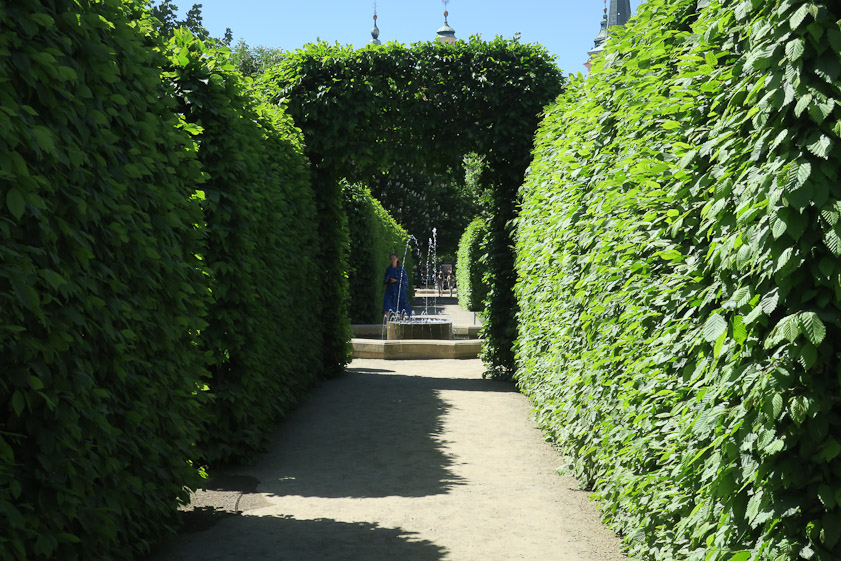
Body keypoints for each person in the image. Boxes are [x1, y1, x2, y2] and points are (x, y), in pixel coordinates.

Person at [382, 253, 412, 318]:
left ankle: (402, 323)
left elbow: (405, 280)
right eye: (391, 259)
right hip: (390, 291)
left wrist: (396, 280)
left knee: (402, 310)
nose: (393, 260)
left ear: (397, 259)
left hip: (399, 291)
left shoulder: (401, 269)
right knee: (386, 308)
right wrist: (387, 279)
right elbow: (384, 281)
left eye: (394, 259)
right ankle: (386, 323)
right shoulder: (388, 269)